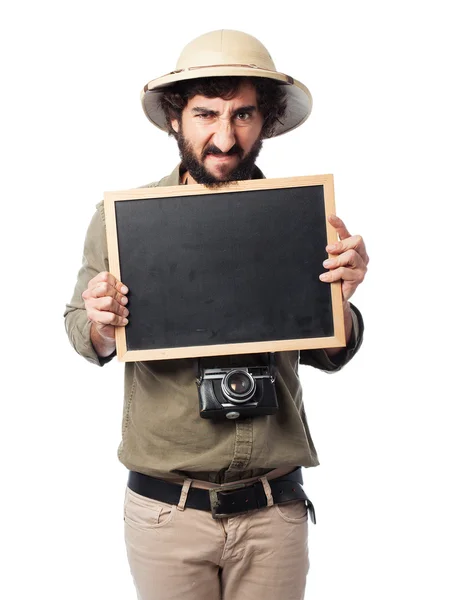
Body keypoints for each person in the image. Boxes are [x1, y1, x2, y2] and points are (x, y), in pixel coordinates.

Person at [64, 29, 368, 600]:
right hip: (166, 515)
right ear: (176, 119)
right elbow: (81, 330)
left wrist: (341, 300)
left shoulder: (300, 218)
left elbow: (331, 352)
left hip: (273, 510)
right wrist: (101, 322)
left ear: (266, 120)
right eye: (206, 114)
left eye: (244, 115)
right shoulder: (121, 220)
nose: (224, 138)